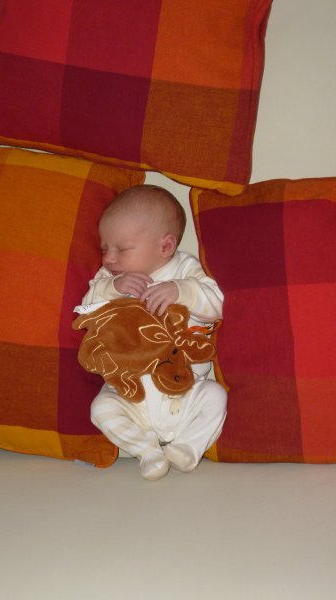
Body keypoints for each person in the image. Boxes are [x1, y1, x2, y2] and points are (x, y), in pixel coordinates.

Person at [78, 184, 227, 480]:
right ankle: (147, 451)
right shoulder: (109, 278)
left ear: (166, 246)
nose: (109, 259)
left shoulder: (185, 270)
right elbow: (84, 313)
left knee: (215, 395)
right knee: (101, 407)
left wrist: (182, 291)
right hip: (130, 392)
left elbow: (218, 305)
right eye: (105, 248)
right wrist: (111, 288)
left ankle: (188, 448)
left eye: (122, 249)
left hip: (184, 391)